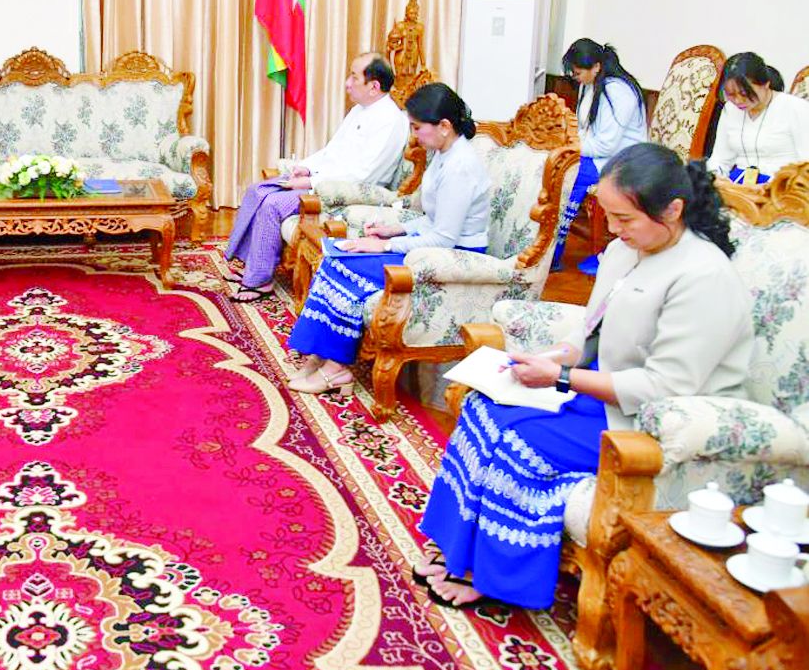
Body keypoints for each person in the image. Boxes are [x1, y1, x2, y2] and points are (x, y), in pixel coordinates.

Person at [413, 142, 753, 610]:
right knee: (482, 408)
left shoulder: (704, 276)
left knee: (518, 441)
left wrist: (561, 377)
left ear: (673, 210)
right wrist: (547, 359)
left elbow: (665, 388)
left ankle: (495, 576)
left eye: (624, 219)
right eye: (608, 215)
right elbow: (590, 332)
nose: (612, 229)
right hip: (605, 389)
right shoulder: (625, 251)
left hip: (655, 421)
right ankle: (461, 547)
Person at [287, 83, 489, 393]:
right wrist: (395, 229)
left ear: (444, 126)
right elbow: (434, 219)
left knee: (347, 265)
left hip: (451, 256)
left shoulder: (460, 167)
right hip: (432, 245)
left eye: (417, 127)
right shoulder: (443, 154)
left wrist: (384, 245)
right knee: (337, 257)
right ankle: (322, 355)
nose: (414, 136)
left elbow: (445, 238)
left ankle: (336, 369)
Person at [224, 52, 408, 302]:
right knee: (257, 190)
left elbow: (363, 174)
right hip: (322, 180)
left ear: (374, 86)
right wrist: (306, 168)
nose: (347, 83)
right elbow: (332, 151)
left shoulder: (390, 121)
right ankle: (250, 267)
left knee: (273, 204)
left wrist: (311, 182)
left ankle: (259, 282)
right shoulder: (359, 110)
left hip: (344, 193)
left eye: (354, 77)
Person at [553, 38, 647, 271]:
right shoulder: (591, 83)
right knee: (556, 167)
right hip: (597, 156)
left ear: (596, 66)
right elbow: (586, 131)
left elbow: (605, 146)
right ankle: (548, 245)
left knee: (570, 174)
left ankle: (554, 251)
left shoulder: (618, 92)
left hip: (622, 161)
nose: (575, 78)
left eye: (577, 73)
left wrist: (571, 147)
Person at [707, 51, 809, 184]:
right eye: (731, 94)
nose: (738, 101)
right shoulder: (730, 109)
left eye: (744, 93)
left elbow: (806, 165)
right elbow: (720, 159)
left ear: (766, 83)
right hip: (738, 185)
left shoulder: (795, 108)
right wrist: (710, 180)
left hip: (780, 186)